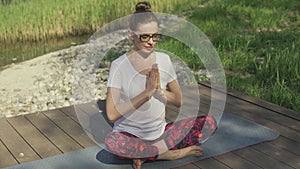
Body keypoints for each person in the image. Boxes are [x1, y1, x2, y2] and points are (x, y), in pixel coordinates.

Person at [104, 1, 217, 169]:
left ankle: (146, 154)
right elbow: (112, 114)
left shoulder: (164, 60)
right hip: (130, 136)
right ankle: (166, 154)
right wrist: (146, 94)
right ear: (131, 35)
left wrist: (159, 92)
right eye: (145, 37)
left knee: (209, 123)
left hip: (162, 134)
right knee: (112, 143)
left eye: (155, 36)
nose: (151, 42)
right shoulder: (119, 65)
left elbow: (178, 100)